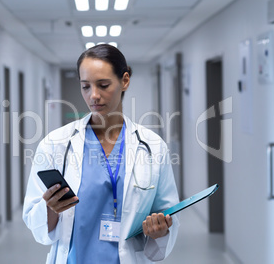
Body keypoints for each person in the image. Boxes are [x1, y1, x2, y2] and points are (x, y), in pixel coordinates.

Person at [23, 44, 179, 264]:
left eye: (103, 85)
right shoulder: (55, 144)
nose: (93, 96)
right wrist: (51, 209)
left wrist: (160, 230)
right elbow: (34, 220)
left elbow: (169, 213)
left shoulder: (153, 147)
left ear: (125, 80)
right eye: (85, 86)